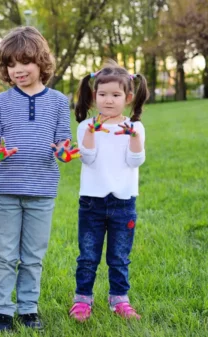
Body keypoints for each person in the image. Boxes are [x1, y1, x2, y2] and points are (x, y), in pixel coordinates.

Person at [0, 26, 74, 333]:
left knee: (33, 256)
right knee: (6, 255)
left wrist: (64, 153)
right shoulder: (1, 102)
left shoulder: (59, 101)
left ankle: (28, 308)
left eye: (24, 62)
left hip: (42, 190)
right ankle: (3, 311)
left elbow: (64, 142)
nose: (17, 70)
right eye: (10, 64)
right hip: (6, 189)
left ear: (41, 62)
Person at [68, 60, 148, 322]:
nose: (108, 100)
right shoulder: (85, 127)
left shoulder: (134, 128)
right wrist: (91, 132)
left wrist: (133, 138)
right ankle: (82, 300)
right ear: (94, 96)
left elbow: (135, 161)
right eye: (102, 94)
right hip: (92, 203)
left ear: (128, 97)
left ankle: (119, 300)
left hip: (123, 202)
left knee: (119, 257)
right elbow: (88, 158)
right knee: (88, 255)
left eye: (115, 95)